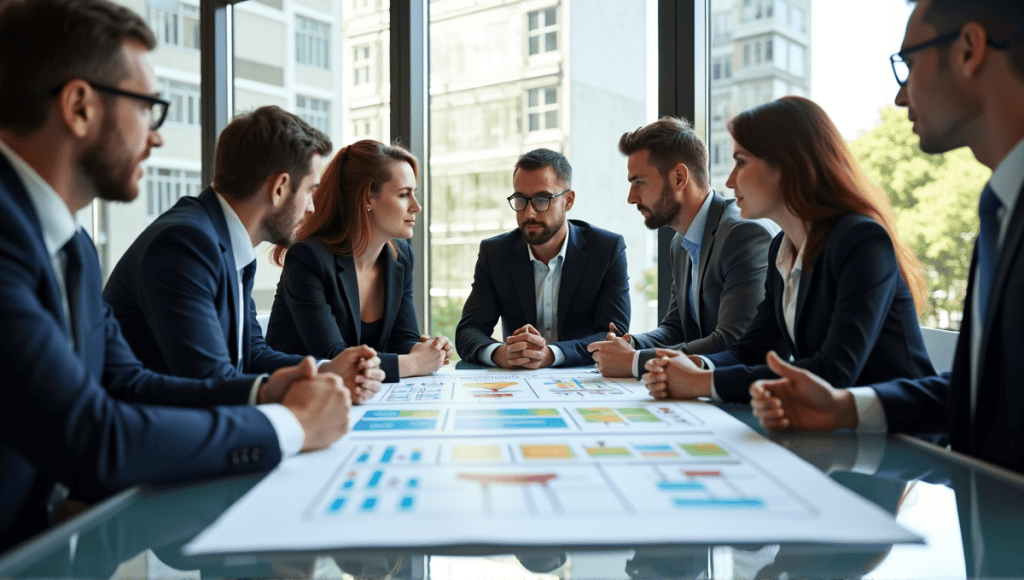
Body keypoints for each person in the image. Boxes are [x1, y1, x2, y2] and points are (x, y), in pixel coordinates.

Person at [0, 0, 350, 552]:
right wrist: (291, 425)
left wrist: (265, 388)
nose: (158, 137)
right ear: (79, 106)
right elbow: (95, 435)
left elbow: (128, 383)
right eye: (148, 108)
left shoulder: (75, 247)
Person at [750, 0, 1024, 475]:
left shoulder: (860, 237)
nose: (900, 96)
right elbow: (985, 391)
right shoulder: (999, 210)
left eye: (908, 63)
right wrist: (845, 408)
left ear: (968, 50)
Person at [643, 96, 935, 402]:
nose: (730, 181)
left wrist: (703, 383)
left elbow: (832, 372)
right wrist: (696, 365)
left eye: (740, 162)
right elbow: (754, 350)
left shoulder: (861, 240)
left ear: (785, 165)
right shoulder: (781, 250)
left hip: (901, 435)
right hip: (834, 433)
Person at [104, 107, 385, 403]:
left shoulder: (219, 238)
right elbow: (209, 381)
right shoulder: (187, 244)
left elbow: (252, 353)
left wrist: (327, 369)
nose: (312, 207)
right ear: (279, 188)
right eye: (310, 191)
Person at [587, 117, 776, 378]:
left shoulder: (743, 233)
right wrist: (632, 344)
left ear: (679, 177)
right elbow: (675, 328)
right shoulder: (680, 242)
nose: (631, 198)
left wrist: (635, 361)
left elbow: (733, 342)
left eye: (639, 182)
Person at [265, 140, 452, 382]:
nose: (416, 206)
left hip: (361, 397)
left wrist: (427, 350)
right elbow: (334, 359)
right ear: (367, 199)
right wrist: (414, 362)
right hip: (301, 397)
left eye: (414, 194)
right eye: (404, 194)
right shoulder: (308, 258)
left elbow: (401, 340)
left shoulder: (400, 256)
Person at [454, 148, 630, 368]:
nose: (529, 213)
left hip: (584, 382)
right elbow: (468, 331)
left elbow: (615, 334)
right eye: (520, 200)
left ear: (568, 200)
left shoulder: (606, 249)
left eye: (542, 199)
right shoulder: (495, 253)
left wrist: (551, 354)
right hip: (520, 384)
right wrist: (503, 354)